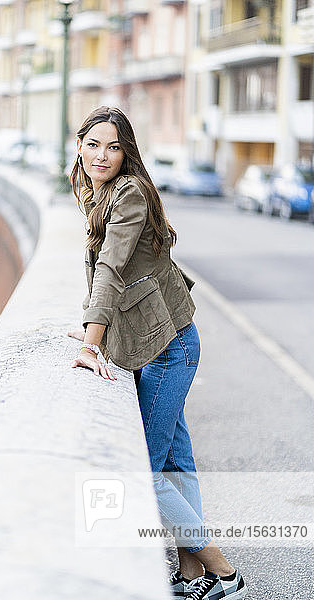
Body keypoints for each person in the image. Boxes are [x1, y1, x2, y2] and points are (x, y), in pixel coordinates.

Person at [67, 106, 247, 600]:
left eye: (114, 146)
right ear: (79, 144)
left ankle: (224, 570)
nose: (102, 155)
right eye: (94, 143)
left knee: (142, 470)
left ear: (128, 152)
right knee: (176, 462)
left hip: (169, 348)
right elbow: (109, 276)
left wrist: (91, 341)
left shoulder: (129, 195)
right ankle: (192, 572)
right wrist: (91, 323)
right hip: (162, 342)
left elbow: (111, 265)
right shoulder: (93, 189)